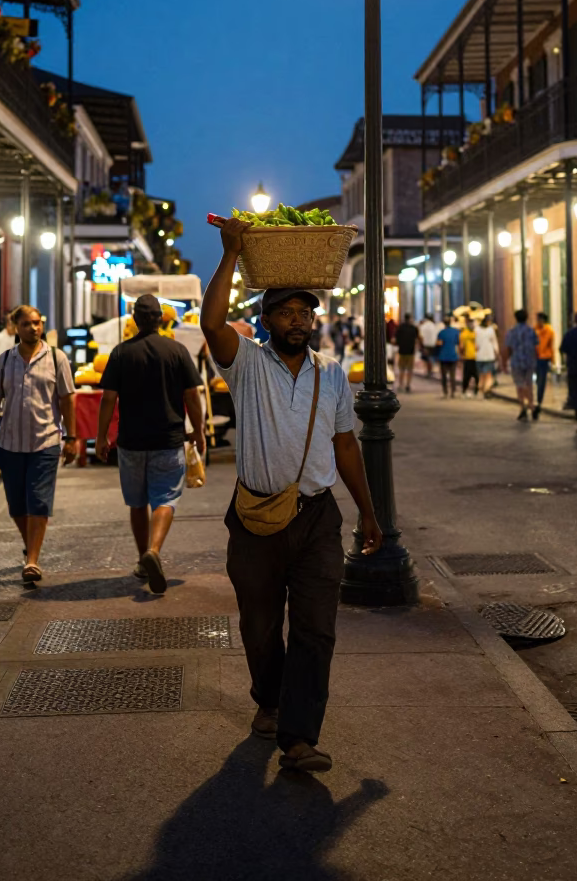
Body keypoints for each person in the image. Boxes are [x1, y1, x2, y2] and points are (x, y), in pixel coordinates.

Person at [201, 218, 382, 774]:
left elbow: (346, 445)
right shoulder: (249, 364)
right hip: (256, 519)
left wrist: (369, 515)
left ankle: (300, 736)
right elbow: (211, 325)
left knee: (315, 627)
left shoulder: (332, 374)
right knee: (258, 626)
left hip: (317, 518)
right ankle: (270, 701)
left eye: (305, 313)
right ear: (267, 321)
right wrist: (231, 254)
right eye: (286, 313)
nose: (298, 321)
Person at [96, 293, 206, 594]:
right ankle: (154, 551)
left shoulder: (120, 353)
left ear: (134, 321)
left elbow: (108, 398)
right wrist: (198, 430)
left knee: (137, 501)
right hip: (168, 439)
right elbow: (191, 395)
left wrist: (101, 435)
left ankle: (142, 558)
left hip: (131, 442)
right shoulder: (177, 350)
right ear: (161, 319)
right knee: (165, 499)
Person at [0, 304, 78, 584]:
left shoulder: (57, 359)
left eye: (37, 323)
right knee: (16, 506)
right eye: (27, 324)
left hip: (45, 442)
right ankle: (30, 545)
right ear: (16, 327)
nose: (33, 328)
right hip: (9, 444)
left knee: (38, 501)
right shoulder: (4, 361)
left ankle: (32, 560)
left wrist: (71, 437)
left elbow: (67, 399)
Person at [504, 309, 538, 422]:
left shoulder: (511, 332)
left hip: (517, 361)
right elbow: (536, 346)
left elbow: (508, 348)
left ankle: (522, 407)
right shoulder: (531, 331)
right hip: (529, 361)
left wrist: (505, 362)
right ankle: (532, 406)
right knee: (529, 384)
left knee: (520, 385)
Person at [474, 313, 499, 398]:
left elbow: (474, 342)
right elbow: (494, 342)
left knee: (481, 374)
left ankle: (481, 390)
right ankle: (486, 389)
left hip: (479, 355)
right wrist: (497, 352)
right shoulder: (490, 330)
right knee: (488, 374)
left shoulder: (476, 329)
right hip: (488, 355)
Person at [534, 312, 555, 412]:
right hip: (536, 357)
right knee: (538, 379)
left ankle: (539, 398)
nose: (538, 321)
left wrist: (552, 360)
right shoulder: (534, 330)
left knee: (542, 379)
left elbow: (551, 346)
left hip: (544, 358)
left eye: (539, 319)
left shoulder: (549, 331)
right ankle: (538, 397)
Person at [436, 315, 460, 398]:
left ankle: (445, 392)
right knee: (452, 375)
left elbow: (439, 344)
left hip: (443, 356)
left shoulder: (441, 332)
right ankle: (453, 392)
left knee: (444, 375)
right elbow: (458, 343)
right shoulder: (455, 331)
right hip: (453, 355)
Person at [395, 313, 418, 393]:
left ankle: (401, 384)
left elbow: (395, 339)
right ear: (410, 318)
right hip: (411, 351)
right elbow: (416, 339)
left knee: (401, 369)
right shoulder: (413, 328)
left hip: (402, 351)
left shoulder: (400, 328)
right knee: (409, 369)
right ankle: (408, 385)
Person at [458, 316, 478, 397]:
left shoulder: (464, 333)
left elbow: (461, 346)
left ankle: (465, 390)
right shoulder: (474, 333)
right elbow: (461, 346)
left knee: (467, 376)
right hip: (471, 357)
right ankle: (473, 391)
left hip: (471, 357)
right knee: (474, 376)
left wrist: (461, 355)